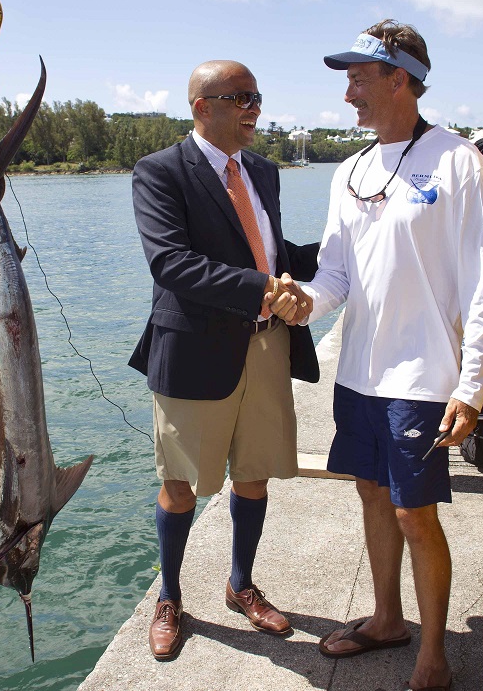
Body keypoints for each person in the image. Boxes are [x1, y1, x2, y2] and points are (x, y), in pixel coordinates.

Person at [269, 20, 483, 691]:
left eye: (360, 77)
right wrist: (303, 302)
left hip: (424, 377)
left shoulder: (460, 163)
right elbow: (336, 274)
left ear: (402, 77)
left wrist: (473, 384)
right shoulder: (352, 170)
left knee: (411, 510)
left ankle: (434, 656)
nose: (348, 94)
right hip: (359, 375)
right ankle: (388, 618)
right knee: (371, 496)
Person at [129, 60, 320, 660]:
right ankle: (170, 595)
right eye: (239, 97)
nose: (253, 108)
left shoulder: (262, 170)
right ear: (201, 106)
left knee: (255, 473)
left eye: (256, 96)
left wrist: (343, 253)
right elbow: (171, 264)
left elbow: (270, 249)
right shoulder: (159, 172)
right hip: (192, 351)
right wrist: (266, 288)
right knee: (179, 483)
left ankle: (240, 585)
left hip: (266, 346)